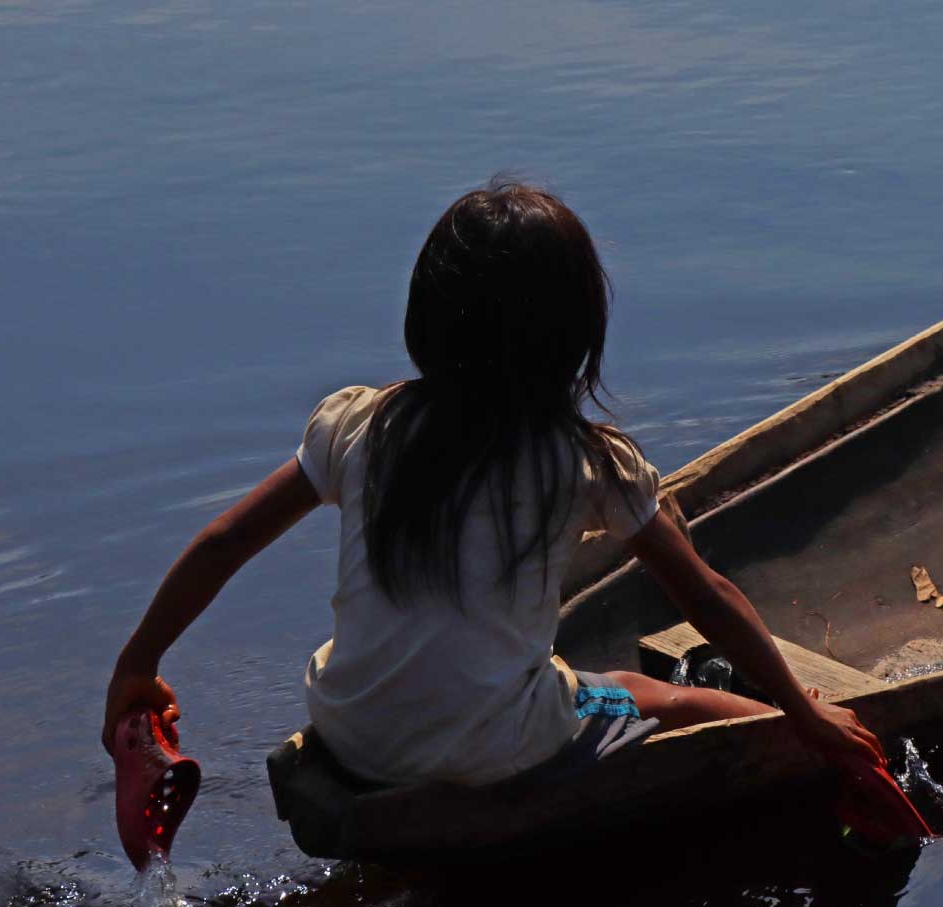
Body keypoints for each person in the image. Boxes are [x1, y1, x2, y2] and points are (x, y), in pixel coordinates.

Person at [101, 180, 889, 794]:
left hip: (350, 731)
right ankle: (805, 737)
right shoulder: (586, 461)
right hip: (497, 747)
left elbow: (224, 541)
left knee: (552, 674)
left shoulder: (358, 425)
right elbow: (707, 598)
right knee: (650, 692)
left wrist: (137, 662)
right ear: (572, 341)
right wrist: (802, 706)